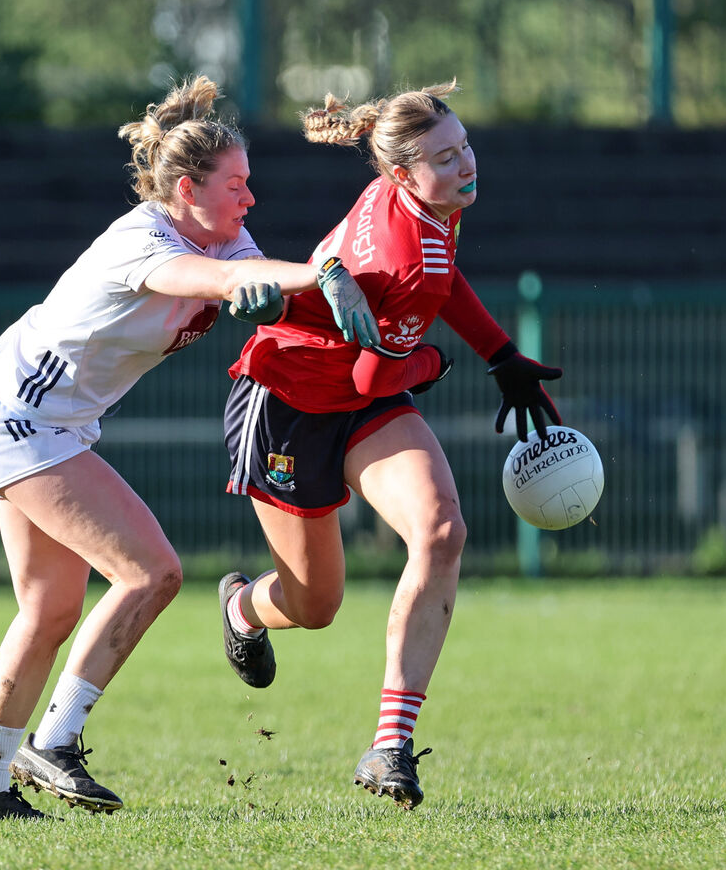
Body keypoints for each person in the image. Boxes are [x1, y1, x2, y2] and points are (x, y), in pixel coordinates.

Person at [0, 75, 379, 821]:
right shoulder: (142, 239)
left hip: (49, 421)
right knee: (151, 571)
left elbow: (248, 273)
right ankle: (55, 741)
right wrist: (319, 273)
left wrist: (316, 290)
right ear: (187, 187)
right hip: (18, 416)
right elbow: (211, 278)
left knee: (51, 610)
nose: (250, 200)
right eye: (237, 184)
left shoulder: (226, 235)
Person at [218, 80, 563, 810]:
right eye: (446, 157)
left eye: (465, 145)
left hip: (361, 396)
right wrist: (440, 363)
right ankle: (244, 608)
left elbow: (437, 290)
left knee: (441, 532)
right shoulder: (409, 253)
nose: (467, 164)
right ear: (403, 174)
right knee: (315, 605)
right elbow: (382, 365)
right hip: (289, 398)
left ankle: (390, 746)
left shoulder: (424, 203)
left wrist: (500, 354)